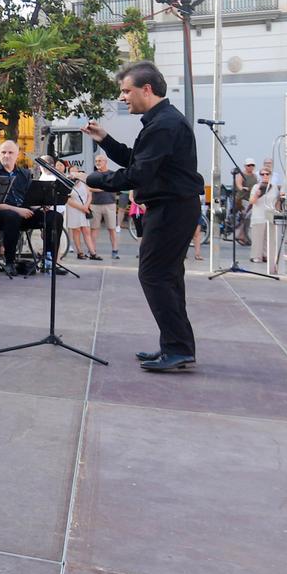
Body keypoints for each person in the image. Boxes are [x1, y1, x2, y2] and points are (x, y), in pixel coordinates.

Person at [84, 62, 203, 372]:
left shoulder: (164, 125)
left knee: (154, 275)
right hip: (174, 207)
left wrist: (94, 179)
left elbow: (137, 174)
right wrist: (104, 139)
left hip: (172, 208)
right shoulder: (161, 122)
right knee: (168, 277)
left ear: (146, 89)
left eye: (127, 91)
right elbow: (136, 159)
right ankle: (176, 346)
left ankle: (177, 348)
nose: (123, 98)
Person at [0, 140, 57, 274]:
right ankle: (9, 261)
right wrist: (17, 210)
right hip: (0, 214)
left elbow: (29, 197)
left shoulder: (24, 173)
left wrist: (40, 206)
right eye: (3, 152)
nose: (6, 155)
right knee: (12, 216)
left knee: (54, 216)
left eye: (10, 152)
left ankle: (49, 260)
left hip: (24, 212)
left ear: (17, 155)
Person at [89, 152, 121, 260]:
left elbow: (116, 187)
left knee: (112, 229)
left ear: (105, 162)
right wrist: (104, 187)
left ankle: (115, 251)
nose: (98, 163)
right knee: (94, 229)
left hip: (110, 205)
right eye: (96, 161)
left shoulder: (112, 174)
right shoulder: (93, 175)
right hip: (95, 205)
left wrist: (103, 187)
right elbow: (88, 188)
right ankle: (92, 251)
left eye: (100, 161)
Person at [63, 163, 97, 260]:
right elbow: (68, 199)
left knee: (86, 230)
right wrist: (81, 207)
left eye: (76, 171)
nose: (75, 173)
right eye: (72, 171)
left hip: (84, 209)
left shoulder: (83, 182)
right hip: (74, 209)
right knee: (76, 231)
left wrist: (86, 206)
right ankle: (80, 252)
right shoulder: (67, 183)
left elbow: (89, 195)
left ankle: (92, 252)